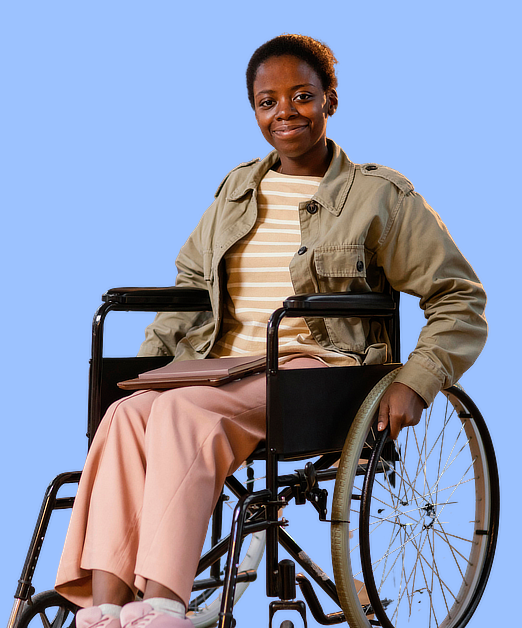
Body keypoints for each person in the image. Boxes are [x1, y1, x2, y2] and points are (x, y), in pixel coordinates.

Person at [54, 34, 487, 628]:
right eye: (267, 101)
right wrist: (144, 372)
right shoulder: (236, 190)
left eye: (303, 95)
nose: (285, 112)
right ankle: (105, 610)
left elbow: (460, 297)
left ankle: (161, 607)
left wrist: (419, 379)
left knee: (182, 416)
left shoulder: (378, 196)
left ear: (331, 100)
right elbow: (189, 285)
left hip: (319, 370)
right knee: (128, 416)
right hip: (223, 366)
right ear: (254, 110)